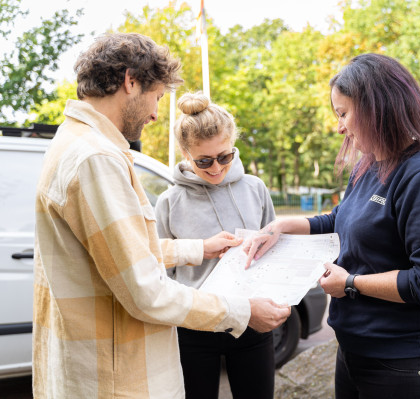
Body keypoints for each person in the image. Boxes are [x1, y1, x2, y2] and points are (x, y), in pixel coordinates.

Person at [33, 32, 289, 399]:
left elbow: (121, 254)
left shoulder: (72, 143)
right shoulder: (96, 160)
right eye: (156, 97)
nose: (156, 113)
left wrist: (197, 249)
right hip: (115, 378)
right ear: (130, 81)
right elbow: (146, 291)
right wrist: (242, 311)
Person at [244, 53, 420, 399]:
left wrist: (351, 284)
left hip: (407, 365)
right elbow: (342, 220)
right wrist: (285, 225)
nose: (340, 127)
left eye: (343, 113)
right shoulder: (368, 166)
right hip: (355, 355)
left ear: (377, 108)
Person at [154, 92, 277, 399]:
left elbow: (275, 248)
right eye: (204, 161)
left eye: (224, 156)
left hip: (252, 321)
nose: (215, 168)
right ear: (185, 152)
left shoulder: (255, 188)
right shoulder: (169, 202)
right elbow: (159, 269)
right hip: (195, 329)